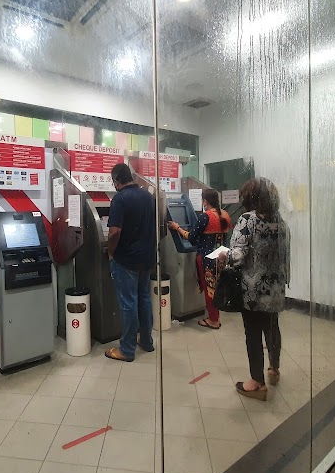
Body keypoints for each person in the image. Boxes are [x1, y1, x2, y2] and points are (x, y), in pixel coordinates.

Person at [220, 177, 289, 401]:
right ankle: (274, 369)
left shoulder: (247, 220)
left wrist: (225, 256)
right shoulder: (281, 222)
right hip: (276, 288)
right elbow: (285, 256)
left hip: (253, 290)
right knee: (272, 328)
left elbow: (238, 256)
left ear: (250, 198)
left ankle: (257, 382)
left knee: (253, 334)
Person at [104, 163, 156, 362]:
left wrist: (111, 253)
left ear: (116, 180)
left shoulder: (120, 199)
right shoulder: (148, 196)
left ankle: (126, 349)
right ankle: (146, 341)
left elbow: (114, 232)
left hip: (126, 260)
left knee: (128, 303)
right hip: (147, 258)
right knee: (144, 299)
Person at [167, 189, 231, 329]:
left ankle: (213, 320)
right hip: (221, 257)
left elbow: (190, 237)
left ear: (205, 201)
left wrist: (177, 227)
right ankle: (215, 316)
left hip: (206, 258)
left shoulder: (205, 216)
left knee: (209, 289)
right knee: (217, 287)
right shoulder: (225, 215)